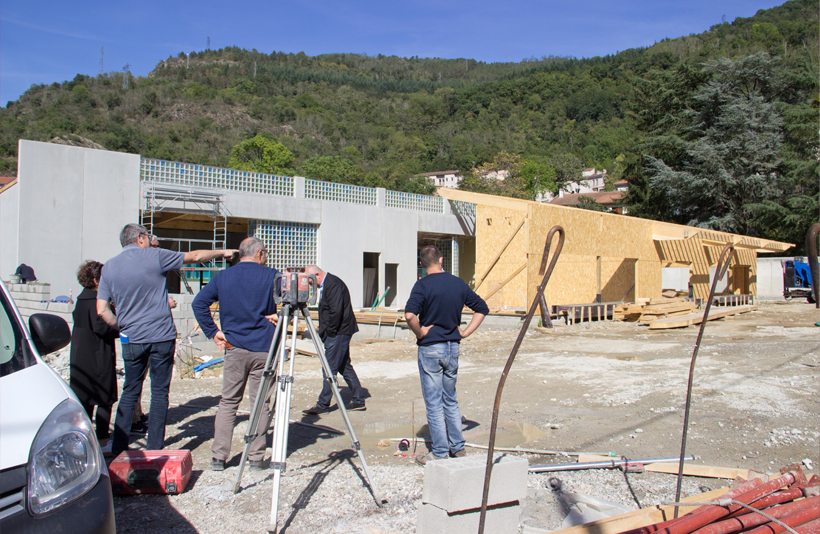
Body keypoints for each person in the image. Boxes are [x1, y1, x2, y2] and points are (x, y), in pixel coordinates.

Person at [97, 223, 236, 455]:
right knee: (159, 392)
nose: (152, 239)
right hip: (161, 336)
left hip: (131, 338)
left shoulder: (109, 267)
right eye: (149, 236)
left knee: (131, 389)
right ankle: (154, 448)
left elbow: (102, 309)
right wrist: (223, 252)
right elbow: (196, 256)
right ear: (141, 238)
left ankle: (120, 447)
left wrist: (122, 326)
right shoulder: (155, 256)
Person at [191, 237, 280, 471]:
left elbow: (199, 303)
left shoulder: (222, 277)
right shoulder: (272, 276)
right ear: (259, 253)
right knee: (260, 403)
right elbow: (292, 303)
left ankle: (219, 457)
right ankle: (256, 457)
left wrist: (214, 332)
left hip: (234, 348)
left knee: (228, 402)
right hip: (264, 349)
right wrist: (280, 318)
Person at [404, 245, 488, 465]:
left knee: (433, 402)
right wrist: (466, 331)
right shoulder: (458, 283)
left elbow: (410, 315)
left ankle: (440, 452)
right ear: (441, 260)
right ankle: (457, 447)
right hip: (452, 347)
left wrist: (421, 331)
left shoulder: (421, 285)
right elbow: (482, 308)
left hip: (431, 348)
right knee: (450, 399)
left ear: (422, 264)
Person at [69, 260, 119, 454]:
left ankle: (85, 440)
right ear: (97, 280)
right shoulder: (97, 301)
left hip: (81, 357)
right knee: (105, 399)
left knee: (86, 401)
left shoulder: (82, 300)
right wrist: (120, 327)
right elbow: (102, 327)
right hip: (98, 357)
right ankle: (103, 441)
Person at [302, 265, 366, 414]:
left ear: (317, 275)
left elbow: (336, 312)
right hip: (337, 332)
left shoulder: (333, 284)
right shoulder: (329, 284)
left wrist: (329, 332)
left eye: (311, 282)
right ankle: (358, 399)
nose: (312, 286)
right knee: (344, 366)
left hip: (338, 333)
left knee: (329, 369)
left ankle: (323, 404)